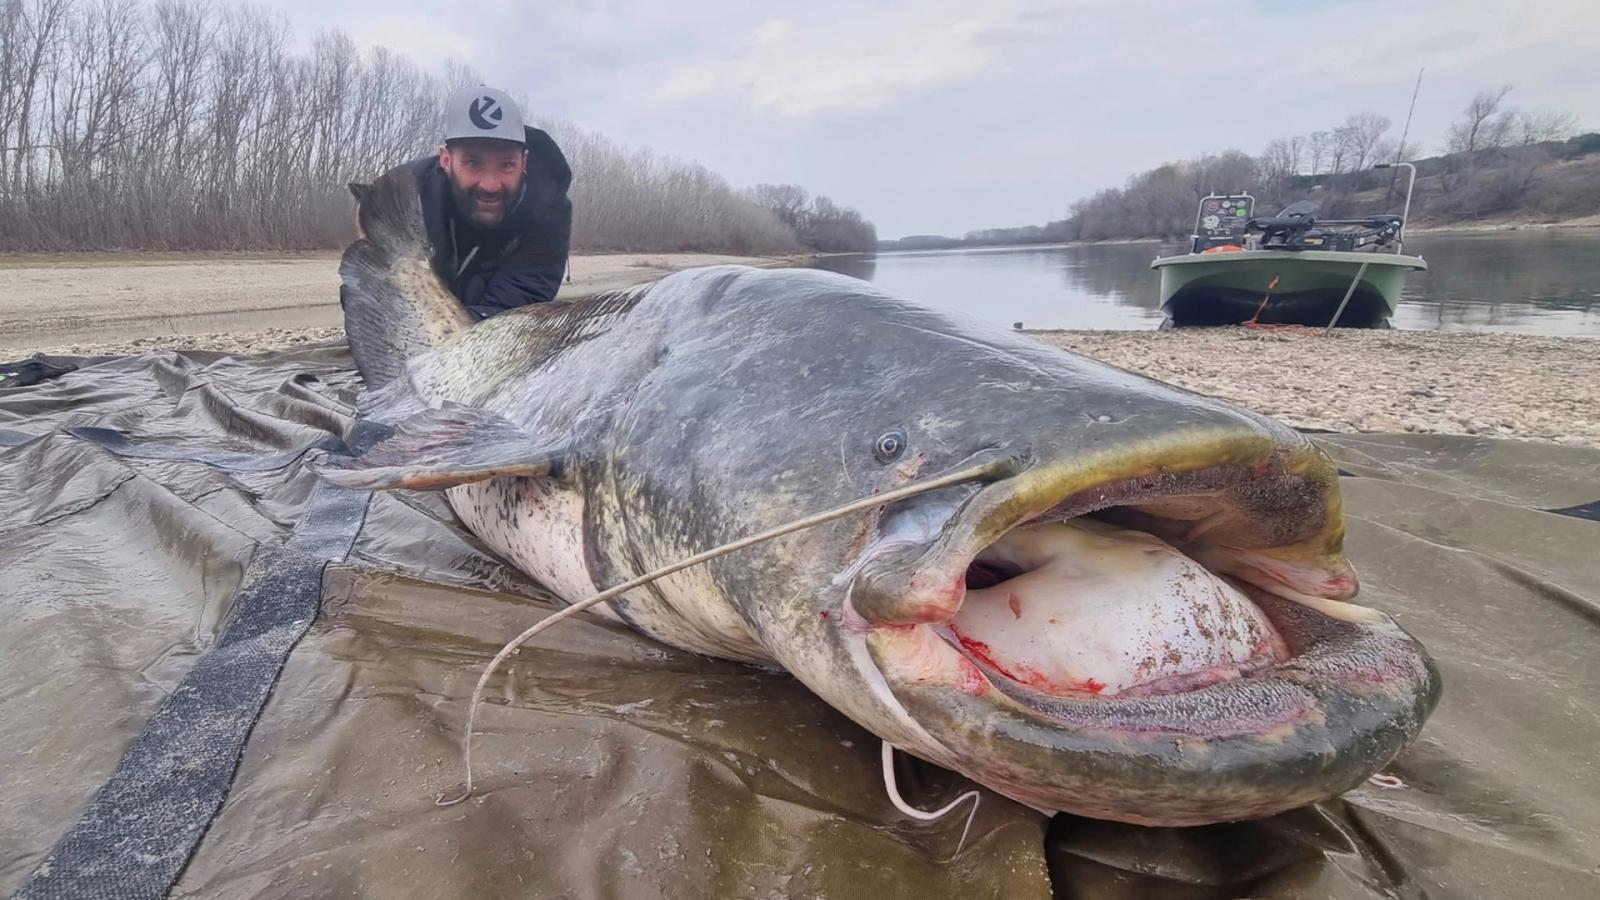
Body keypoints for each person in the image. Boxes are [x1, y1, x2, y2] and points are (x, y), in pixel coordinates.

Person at [383, 85, 573, 320]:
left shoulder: (549, 208)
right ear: (446, 159)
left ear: (524, 162)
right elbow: (376, 292)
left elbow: (521, 297)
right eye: (473, 163)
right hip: (423, 314)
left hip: (487, 323)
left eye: (506, 165)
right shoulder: (401, 198)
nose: (490, 185)